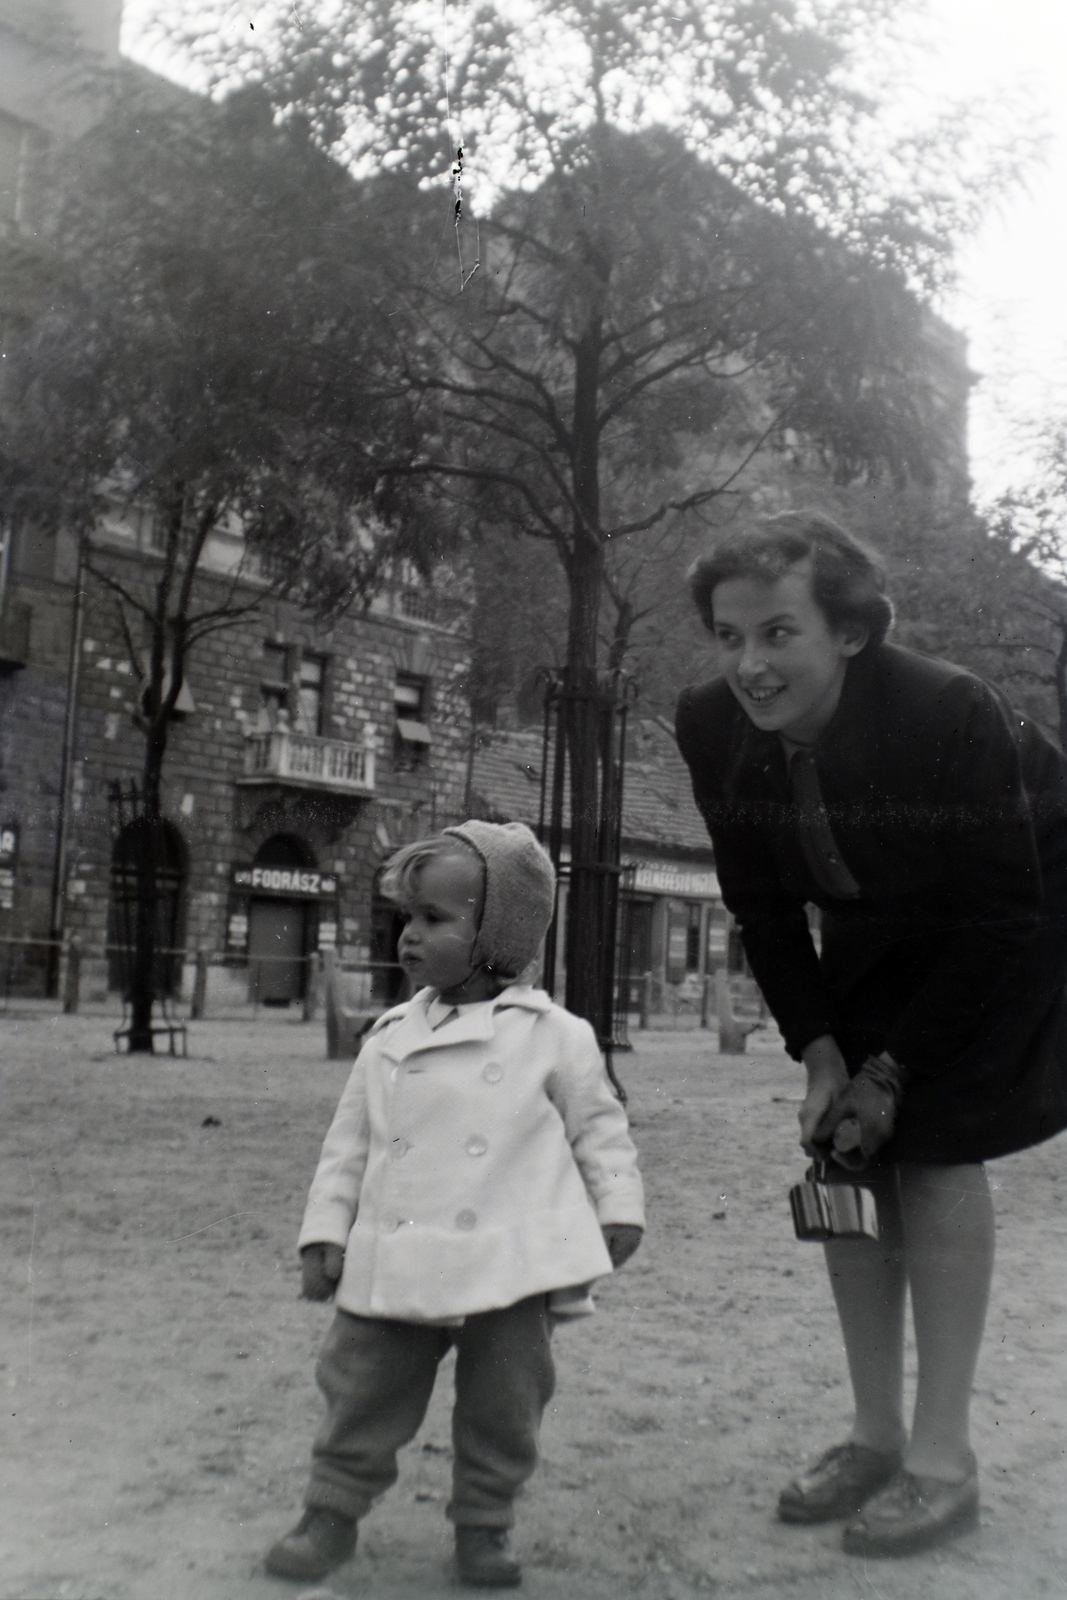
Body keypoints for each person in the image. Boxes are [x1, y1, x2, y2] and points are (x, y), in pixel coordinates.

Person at [675, 510, 1067, 1558]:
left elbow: (995, 917)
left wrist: (892, 1066)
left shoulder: (948, 709)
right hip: (875, 902)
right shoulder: (709, 722)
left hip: (1020, 903)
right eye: (728, 635)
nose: (747, 665)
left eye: (776, 634)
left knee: (931, 1140)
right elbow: (758, 903)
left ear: (847, 631)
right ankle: (872, 1434)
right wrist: (821, 1054)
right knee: (839, 1143)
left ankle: (943, 1461)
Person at [265, 819, 645, 1587]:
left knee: (505, 1400)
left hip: (508, 1255)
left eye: (434, 919)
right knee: (362, 1382)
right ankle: (331, 1508)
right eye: (407, 917)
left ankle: (483, 1521)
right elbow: (348, 1144)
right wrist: (325, 1232)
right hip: (400, 1246)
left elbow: (599, 1127)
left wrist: (617, 1207)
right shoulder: (388, 1037)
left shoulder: (555, 1037)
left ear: (498, 932)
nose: (409, 937)